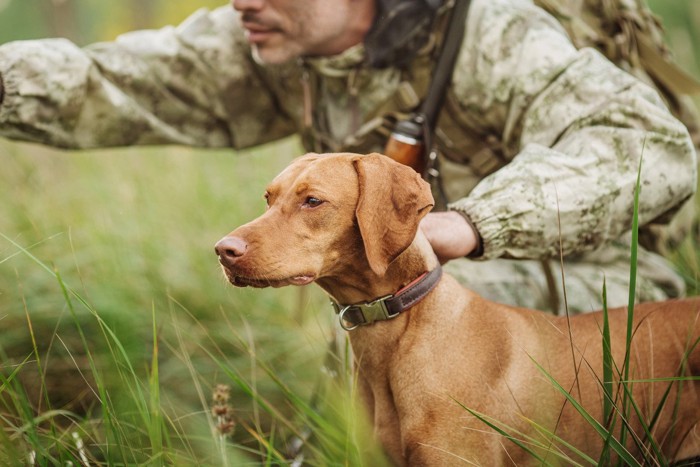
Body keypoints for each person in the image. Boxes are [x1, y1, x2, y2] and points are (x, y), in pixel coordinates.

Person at [0, 0, 696, 313]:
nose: (242, 1)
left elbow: (645, 145)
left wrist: (468, 224)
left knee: (416, 301)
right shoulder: (271, 36)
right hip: (418, 292)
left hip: (607, 292)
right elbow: (109, 82)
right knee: (386, 302)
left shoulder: (491, 31)